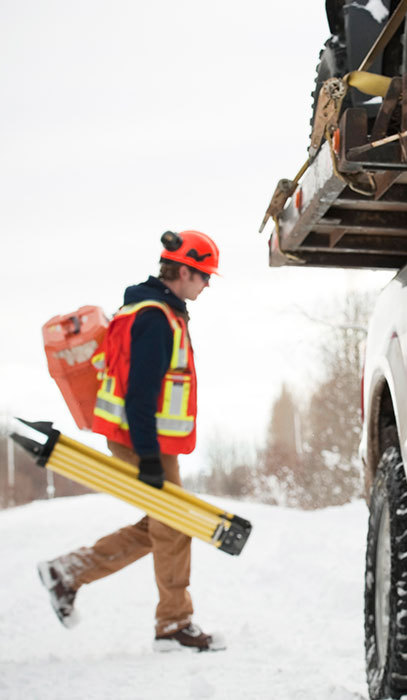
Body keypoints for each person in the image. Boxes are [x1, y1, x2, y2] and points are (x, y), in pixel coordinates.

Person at [37, 230, 225, 652]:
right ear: (181, 270)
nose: (207, 284)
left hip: (143, 439)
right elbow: (140, 392)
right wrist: (148, 458)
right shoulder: (154, 317)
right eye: (203, 275)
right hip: (142, 441)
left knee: (165, 524)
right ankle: (174, 625)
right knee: (176, 523)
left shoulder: (150, 309)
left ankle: (67, 572)